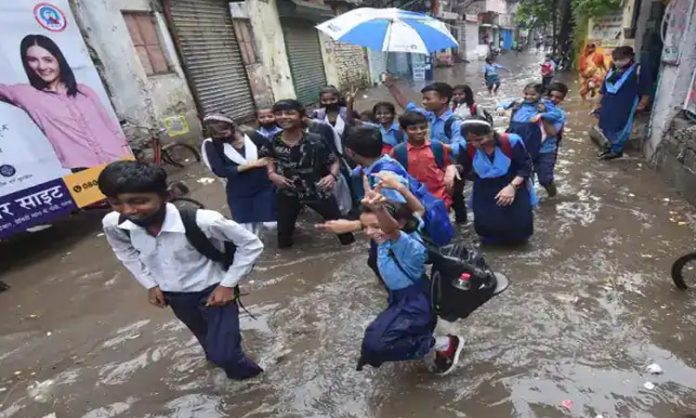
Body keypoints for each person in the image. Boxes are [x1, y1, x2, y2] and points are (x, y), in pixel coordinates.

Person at [99, 161, 264, 380]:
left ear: (165, 196)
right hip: (175, 296)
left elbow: (251, 244)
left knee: (226, 356)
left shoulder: (203, 220)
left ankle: (256, 383)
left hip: (214, 293)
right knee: (208, 346)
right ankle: (229, 381)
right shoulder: (114, 224)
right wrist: (151, 284)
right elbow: (125, 252)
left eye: (139, 201)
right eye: (116, 203)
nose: (128, 210)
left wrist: (228, 284)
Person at [354, 179, 463, 375]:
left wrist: (379, 209)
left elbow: (391, 229)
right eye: (365, 227)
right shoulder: (409, 227)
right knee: (379, 335)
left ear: (399, 224)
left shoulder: (405, 244)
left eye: (375, 226)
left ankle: (443, 344)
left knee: (375, 345)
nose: (369, 232)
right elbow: (419, 210)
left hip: (415, 303)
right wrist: (400, 189)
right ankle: (423, 343)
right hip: (402, 298)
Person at [0, 34, 130, 171]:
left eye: (48, 59)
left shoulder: (83, 91)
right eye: (33, 60)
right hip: (84, 171)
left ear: (58, 60)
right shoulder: (27, 94)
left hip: (119, 160)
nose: (42, 66)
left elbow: (111, 127)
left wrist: (127, 155)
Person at [260, 99, 355, 248]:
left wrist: (332, 176)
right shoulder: (273, 141)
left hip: (317, 189)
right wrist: (272, 174)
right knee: (284, 235)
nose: (284, 117)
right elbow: (267, 158)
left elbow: (334, 160)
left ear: (301, 116)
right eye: (279, 114)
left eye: (290, 113)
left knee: (343, 231)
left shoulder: (315, 140)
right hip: (288, 191)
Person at [383, 76, 467, 222]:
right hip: (427, 170)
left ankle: (460, 229)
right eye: (423, 98)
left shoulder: (454, 122)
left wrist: (433, 145)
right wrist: (391, 86)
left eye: (428, 99)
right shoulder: (428, 116)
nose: (424, 102)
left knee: (454, 202)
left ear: (443, 99)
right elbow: (407, 107)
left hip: (449, 169)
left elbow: (460, 146)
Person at [458, 120, 535, 244]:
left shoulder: (511, 142)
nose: (475, 144)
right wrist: (453, 168)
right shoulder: (467, 147)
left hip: (513, 184)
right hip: (484, 189)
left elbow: (525, 167)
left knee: (519, 227)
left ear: (491, 133)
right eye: (470, 141)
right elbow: (463, 166)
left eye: (479, 140)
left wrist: (512, 187)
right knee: (487, 228)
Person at [200, 114, 276, 236]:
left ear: (232, 127)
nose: (222, 137)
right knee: (245, 229)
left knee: (270, 223)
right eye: (217, 135)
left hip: (263, 186)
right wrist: (252, 164)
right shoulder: (211, 144)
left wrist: (271, 172)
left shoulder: (252, 136)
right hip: (239, 191)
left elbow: (271, 155)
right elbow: (221, 171)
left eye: (224, 132)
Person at [390, 112, 459, 211]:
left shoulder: (437, 147)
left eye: (422, 128)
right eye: (413, 129)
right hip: (414, 200)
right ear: (403, 130)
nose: (419, 132)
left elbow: (446, 166)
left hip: (440, 197)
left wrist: (449, 190)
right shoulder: (398, 151)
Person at [594, 46, 653, 160]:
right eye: (615, 59)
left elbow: (646, 88)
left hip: (627, 103)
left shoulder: (638, 70)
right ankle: (609, 146)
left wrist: (642, 103)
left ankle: (617, 150)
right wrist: (597, 103)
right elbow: (603, 88)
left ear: (630, 57)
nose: (618, 62)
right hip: (609, 102)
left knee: (623, 126)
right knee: (607, 124)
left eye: (621, 59)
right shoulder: (612, 69)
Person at [496, 83, 563, 162]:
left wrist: (541, 115)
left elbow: (557, 114)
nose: (528, 97)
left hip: (530, 134)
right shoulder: (518, 102)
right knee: (510, 155)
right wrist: (500, 107)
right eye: (526, 94)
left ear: (541, 94)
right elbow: (503, 104)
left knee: (528, 157)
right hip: (514, 131)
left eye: (533, 95)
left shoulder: (543, 105)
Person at [536, 82, 569, 197]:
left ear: (562, 99)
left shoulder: (560, 114)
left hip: (547, 150)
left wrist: (543, 115)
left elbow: (552, 132)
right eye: (551, 96)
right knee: (524, 178)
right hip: (529, 148)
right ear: (546, 95)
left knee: (545, 180)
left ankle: (553, 197)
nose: (553, 99)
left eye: (558, 97)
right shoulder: (534, 106)